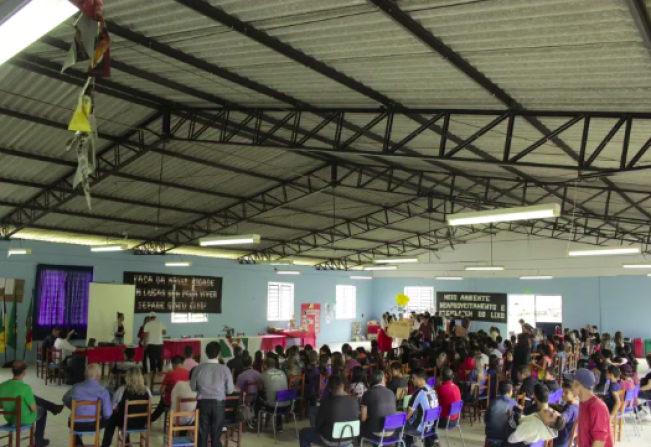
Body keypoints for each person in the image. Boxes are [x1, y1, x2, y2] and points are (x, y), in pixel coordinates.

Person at [0, 362, 64, 447]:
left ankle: (53, 407)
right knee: (42, 410)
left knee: (31, 398)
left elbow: (0, 406)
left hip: (9, 418)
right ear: (24, 372)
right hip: (24, 419)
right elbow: (33, 409)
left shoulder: (2, 386)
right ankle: (38, 441)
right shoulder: (25, 388)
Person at [190, 341, 235, 447]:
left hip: (202, 403)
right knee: (216, 435)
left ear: (206, 353)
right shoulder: (225, 369)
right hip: (219, 404)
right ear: (219, 353)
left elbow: (193, 387)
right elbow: (230, 391)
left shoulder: (198, 368)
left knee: (202, 435)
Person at [298, 375, 359, 447]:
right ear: (343, 386)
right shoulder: (354, 401)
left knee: (303, 433)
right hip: (349, 438)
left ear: (329, 389)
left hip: (330, 440)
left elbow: (317, 424)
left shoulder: (326, 403)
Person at [63, 364, 113, 446]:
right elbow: (107, 414)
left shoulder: (76, 387)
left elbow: (65, 399)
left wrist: (74, 408)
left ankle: (78, 443)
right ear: (98, 376)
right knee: (110, 419)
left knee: (72, 417)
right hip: (94, 424)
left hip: (76, 424)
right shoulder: (102, 391)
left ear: (85, 375)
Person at [101, 367, 151, 447]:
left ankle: (105, 445)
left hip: (125, 422)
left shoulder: (122, 390)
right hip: (141, 422)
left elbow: (113, 406)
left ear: (128, 377)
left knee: (111, 420)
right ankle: (126, 441)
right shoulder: (147, 390)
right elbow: (148, 407)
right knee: (129, 415)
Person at [570, 368, 614, 447]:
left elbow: (599, 442)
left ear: (578, 384)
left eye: (572, 382)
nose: (570, 386)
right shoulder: (582, 402)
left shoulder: (597, 406)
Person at [404, 368, 439, 447]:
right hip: (430, 426)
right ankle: (434, 440)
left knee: (402, 424)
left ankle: (410, 444)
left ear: (420, 379)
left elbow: (407, 416)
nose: (412, 380)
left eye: (413, 378)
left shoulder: (418, 393)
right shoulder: (433, 390)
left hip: (420, 428)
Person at [152, 355, 189, 422]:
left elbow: (161, 390)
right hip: (186, 401)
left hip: (172, 402)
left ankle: (151, 419)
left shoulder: (170, 374)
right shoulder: (189, 373)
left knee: (163, 401)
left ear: (173, 364)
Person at [256, 357, 288, 433]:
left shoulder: (263, 375)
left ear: (265, 365)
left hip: (272, 407)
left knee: (258, 397)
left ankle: (256, 421)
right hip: (287, 407)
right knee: (278, 397)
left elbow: (260, 389)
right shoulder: (282, 373)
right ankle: (279, 425)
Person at [361, 371, 396, 438]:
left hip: (377, 432)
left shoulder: (367, 393)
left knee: (361, 425)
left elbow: (363, 418)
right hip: (392, 430)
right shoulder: (391, 393)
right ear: (383, 380)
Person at [550, 382, 579, 447]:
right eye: (563, 391)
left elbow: (562, 418)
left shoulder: (569, 410)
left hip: (559, 441)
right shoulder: (576, 404)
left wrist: (551, 412)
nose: (562, 394)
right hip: (567, 440)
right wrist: (553, 405)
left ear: (574, 395)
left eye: (566, 393)